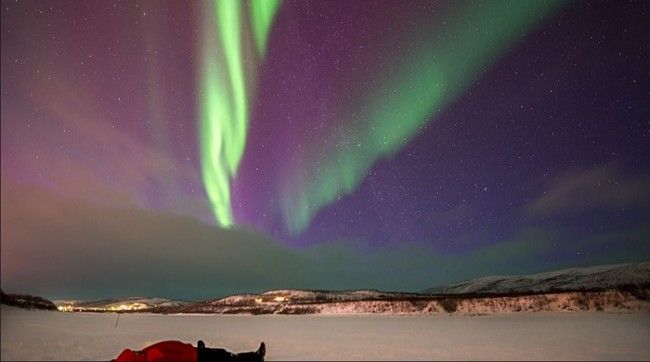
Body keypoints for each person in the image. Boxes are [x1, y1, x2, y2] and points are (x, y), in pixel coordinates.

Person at [113, 340, 265, 362]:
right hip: (194, 356)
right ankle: (255, 357)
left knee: (219, 353)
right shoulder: (151, 357)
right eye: (134, 353)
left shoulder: (145, 354)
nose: (135, 351)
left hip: (191, 350)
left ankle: (201, 348)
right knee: (225, 356)